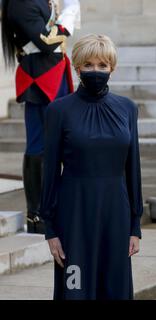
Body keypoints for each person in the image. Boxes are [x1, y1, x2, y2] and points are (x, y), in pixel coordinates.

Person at [39, 34, 143, 300]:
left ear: (112, 68)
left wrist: (135, 225)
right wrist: (50, 229)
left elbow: (133, 169)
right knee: (75, 289)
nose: (95, 71)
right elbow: (49, 171)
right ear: (76, 67)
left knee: (115, 291)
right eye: (88, 65)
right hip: (73, 216)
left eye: (102, 65)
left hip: (116, 216)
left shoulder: (127, 108)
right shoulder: (58, 110)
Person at [1, 0, 80, 234]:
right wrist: (69, 13)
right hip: (40, 80)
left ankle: (55, 208)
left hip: (52, 73)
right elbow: (46, 42)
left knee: (60, 143)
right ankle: (38, 214)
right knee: (40, 146)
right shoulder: (21, 3)